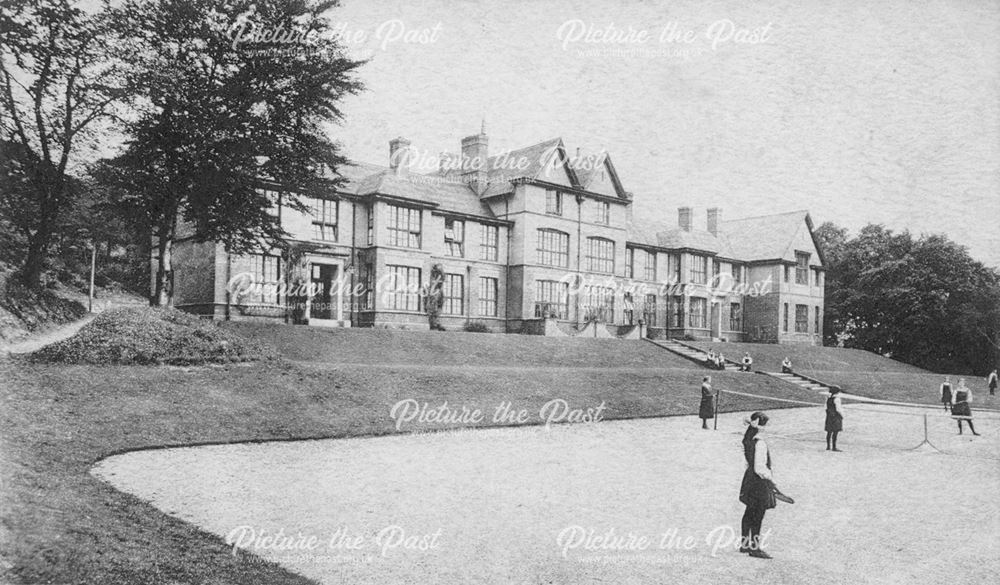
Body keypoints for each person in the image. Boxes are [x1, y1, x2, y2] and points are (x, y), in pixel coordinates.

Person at [740, 412, 777, 558]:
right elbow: (760, 468)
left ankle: (744, 544)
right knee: (758, 515)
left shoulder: (748, 439)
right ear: (762, 426)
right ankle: (754, 548)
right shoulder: (760, 443)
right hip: (759, 482)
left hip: (749, 479)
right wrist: (772, 480)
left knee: (749, 511)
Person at [825, 387, 844, 451]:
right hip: (835, 416)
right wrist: (842, 415)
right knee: (835, 431)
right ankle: (834, 447)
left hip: (829, 416)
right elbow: (838, 409)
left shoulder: (828, 398)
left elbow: (825, 407)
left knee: (829, 431)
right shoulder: (837, 399)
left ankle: (828, 446)